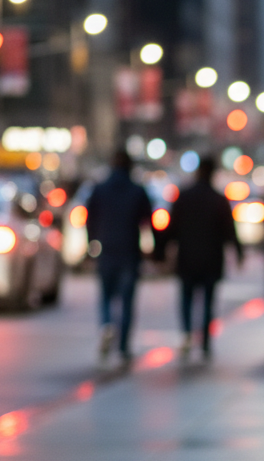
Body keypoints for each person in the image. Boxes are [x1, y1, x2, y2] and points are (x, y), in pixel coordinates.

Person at [166, 155, 242, 358]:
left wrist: (161, 251)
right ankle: (205, 341)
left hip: (187, 258)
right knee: (208, 301)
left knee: (187, 299)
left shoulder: (184, 197)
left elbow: (171, 228)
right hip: (211, 259)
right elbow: (229, 230)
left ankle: (187, 335)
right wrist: (238, 252)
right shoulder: (218, 199)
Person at [87, 149, 153, 364]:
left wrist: (92, 243)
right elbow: (148, 221)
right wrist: (154, 250)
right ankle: (123, 345)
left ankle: (106, 325)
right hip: (129, 251)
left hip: (107, 250)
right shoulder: (137, 190)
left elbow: (90, 218)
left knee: (106, 296)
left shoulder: (100, 189)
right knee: (126, 300)